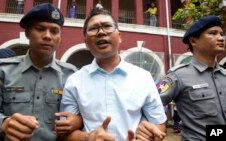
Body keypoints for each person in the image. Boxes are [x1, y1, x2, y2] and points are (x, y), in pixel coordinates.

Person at [59, 7, 167, 141]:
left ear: (119, 36)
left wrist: (149, 135)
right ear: (86, 42)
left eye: (107, 26)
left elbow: (159, 125)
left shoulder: (143, 78)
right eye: (93, 28)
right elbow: (64, 133)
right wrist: (89, 138)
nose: (101, 32)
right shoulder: (74, 81)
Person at [0, 3, 82, 141]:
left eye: (54, 31)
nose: (47, 36)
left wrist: (78, 120)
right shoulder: (1, 69)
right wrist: (3, 123)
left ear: (60, 36)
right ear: (27, 33)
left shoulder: (72, 75)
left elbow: (85, 114)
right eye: (40, 29)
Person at [157, 15, 225, 140]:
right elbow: (153, 103)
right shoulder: (177, 75)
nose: (221, 38)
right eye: (213, 33)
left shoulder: (224, 75)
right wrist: (158, 127)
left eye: (221, 33)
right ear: (194, 41)